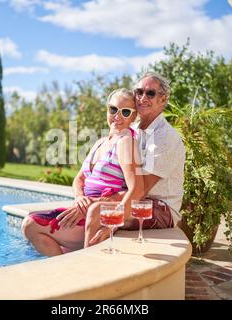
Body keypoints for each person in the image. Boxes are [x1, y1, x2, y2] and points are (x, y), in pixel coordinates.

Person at [22, 88, 144, 256]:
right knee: (30, 225)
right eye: (113, 109)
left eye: (125, 112)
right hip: (82, 208)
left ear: (134, 116)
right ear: (107, 109)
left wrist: (113, 221)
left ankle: (75, 269)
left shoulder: (125, 141)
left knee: (30, 225)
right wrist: (80, 197)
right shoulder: (100, 142)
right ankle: (68, 268)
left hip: (95, 215)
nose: (118, 116)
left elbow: (137, 189)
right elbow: (79, 178)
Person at [88, 72, 185, 245]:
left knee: (97, 211)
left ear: (163, 99)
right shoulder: (132, 129)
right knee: (87, 209)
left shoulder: (166, 137)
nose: (142, 98)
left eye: (150, 93)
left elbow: (141, 190)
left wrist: (100, 202)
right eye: (139, 92)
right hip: (136, 198)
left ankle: (87, 266)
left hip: (160, 208)